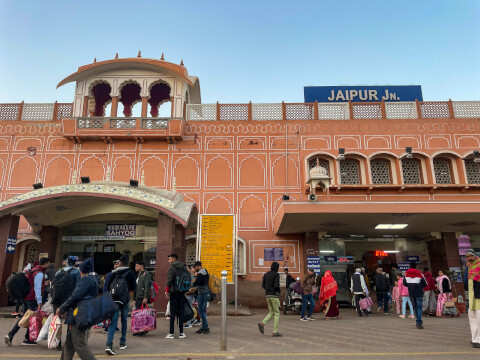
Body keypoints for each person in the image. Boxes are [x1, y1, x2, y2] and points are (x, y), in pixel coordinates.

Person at [56, 258, 98, 360]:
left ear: (81, 270)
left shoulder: (85, 280)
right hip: (84, 313)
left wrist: (62, 308)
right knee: (69, 345)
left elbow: (75, 296)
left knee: (79, 346)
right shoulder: (93, 280)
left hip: (80, 314)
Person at [5, 257, 50, 346]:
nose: (49, 265)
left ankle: (27, 338)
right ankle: (13, 335)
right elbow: (37, 288)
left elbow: (31, 283)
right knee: (28, 318)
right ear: (46, 263)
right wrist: (39, 301)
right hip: (32, 299)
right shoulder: (39, 273)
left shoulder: (33, 270)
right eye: (49, 263)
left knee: (28, 317)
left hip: (25, 297)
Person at [104, 256, 136, 355]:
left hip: (113, 300)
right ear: (128, 263)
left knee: (113, 322)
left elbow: (108, 286)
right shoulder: (130, 273)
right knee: (124, 320)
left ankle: (109, 345)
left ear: (120, 262)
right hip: (124, 300)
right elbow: (133, 287)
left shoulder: (113, 273)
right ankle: (122, 342)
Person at [165, 253, 188, 339]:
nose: (169, 261)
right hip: (182, 292)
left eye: (170, 259)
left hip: (174, 292)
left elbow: (169, 280)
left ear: (174, 259)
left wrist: (167, 291)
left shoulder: (172, 267)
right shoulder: (183, 266)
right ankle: (181, 333)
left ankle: (171, 333)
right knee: (181, 313)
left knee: (172, 313)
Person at [258, 261, 281, 337]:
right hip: (274, 296)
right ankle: (275, 332)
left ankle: (262, 323)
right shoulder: (276, 275)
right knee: (277, 313)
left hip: (267, 295)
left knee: (272, 312)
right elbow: (276, 285)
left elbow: (263, 285)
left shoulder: (266, 274)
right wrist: (278, 291)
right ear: (277, 268)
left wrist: (268, 290)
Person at [403, 262, 427, 329]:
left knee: (415, 307)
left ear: (410, 266)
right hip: (419, 292)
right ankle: (419, 322)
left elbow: (404, 283)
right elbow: (425, 284)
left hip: (411, 292)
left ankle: (418, 321)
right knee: (419, 307)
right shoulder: (419, 273)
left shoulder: (406, 273)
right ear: (416, 266)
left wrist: (410, 285)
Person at [464, 249, 480, 348]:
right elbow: (466, 280)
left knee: (479, 318)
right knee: (472, 317)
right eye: (467, 257)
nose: (469, 258)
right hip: (472, 296)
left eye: (470, 256)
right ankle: (475, 339)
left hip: (479, 296)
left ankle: (479, 340)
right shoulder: (468, 267)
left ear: (475, 256)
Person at [133, 261, 152, 336]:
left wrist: (145, 297)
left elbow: (147, 286)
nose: (136, 268)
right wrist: (135, 298)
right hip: (138, 297)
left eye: (137, 266)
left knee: (142, 315)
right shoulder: (139, 275)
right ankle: (138, 330)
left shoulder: (146, 274)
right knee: (138, 315)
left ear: (142, 266)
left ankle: (142, 330)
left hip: (142, 297)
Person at [193, 261, 210, 334]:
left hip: (202, 294)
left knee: (201, 311)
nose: (195, 268)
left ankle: (206, 328)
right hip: (205, 293)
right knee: (202, 311)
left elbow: (196, 283)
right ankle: (203, 327)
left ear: (198, 266)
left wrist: (191, 286)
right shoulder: (205, 272)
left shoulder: (200, 274)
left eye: (195, 267)